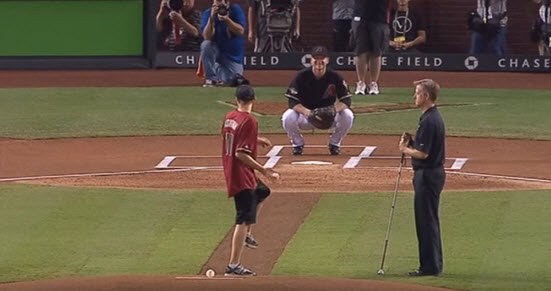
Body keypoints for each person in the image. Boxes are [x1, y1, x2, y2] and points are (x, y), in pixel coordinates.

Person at [221, 84, 280, 276]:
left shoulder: (230, 117)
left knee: (263, 192)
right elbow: (240, 153)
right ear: (253, 100)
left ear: (237, 100)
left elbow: (236, 138)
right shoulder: (250, 121)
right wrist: (264, 170)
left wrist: (256, 139)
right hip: (241, 175)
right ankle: (233, 265)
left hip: (233, 170)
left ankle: (247, 233)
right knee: (243, 217)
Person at [398, 79, 446, 277]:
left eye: (417, 93)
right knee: (430, 220)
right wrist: (415, 141)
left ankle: (429, 267)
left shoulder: (428, 120)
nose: (414, 96)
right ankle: (434, 264)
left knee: (426, 222)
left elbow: (423, 154)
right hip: (432, 175)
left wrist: (405, 149)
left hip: (427, 175)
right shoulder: (432, 117)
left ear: (426, 96)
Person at [282, 46, 354, 156]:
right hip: (306, 117)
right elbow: (292, 102)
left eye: (322, 59)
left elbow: (346, 100)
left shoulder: (335, 77)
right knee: (288, 116)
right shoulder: (301, 76)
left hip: (328, 117)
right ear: (311, 60)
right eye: (316, 59)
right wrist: (308, 112)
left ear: (327, 60)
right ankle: (297, 144)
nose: (319, 62)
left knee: (348, 115)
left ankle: (335, 143)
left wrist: (332, 109)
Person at [201, 0, 246, 87]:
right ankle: (211, 78)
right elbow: (207, 37)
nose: (219, 4)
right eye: (217, 2)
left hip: (232, 56)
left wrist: (227, 20)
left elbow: (240, 31)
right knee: (206, 45)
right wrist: (211, 18)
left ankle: (217, 69)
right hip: (216, 51)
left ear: (227, 2)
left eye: (220, 1)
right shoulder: (208, 13)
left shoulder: (235, 10)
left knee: (232, 80)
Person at [351, 0, 391, 95]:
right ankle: (361, 83)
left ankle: (373, 83)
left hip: (379, 17)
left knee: (376, 52)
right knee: (360, 51)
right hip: (360, 16)